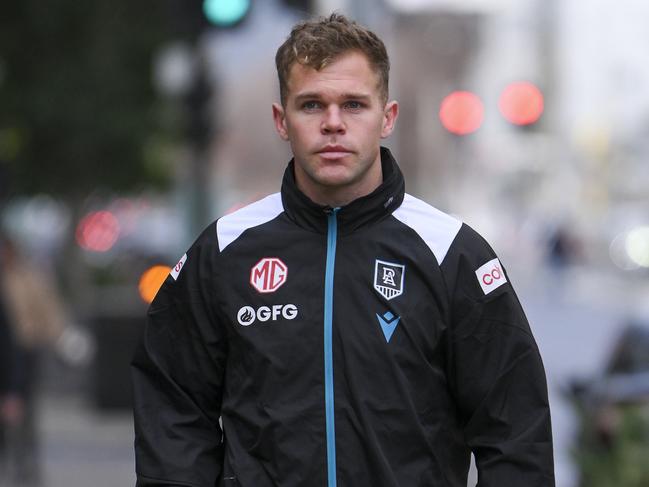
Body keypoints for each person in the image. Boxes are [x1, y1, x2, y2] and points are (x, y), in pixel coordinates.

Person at [132, 13, 555, 487]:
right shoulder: (225, 251)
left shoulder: (452, 254)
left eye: (354, 105)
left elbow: (516, 434)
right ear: (281, 120)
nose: (333, 124)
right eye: (311, 105)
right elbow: (172, 410)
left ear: (387, 117)